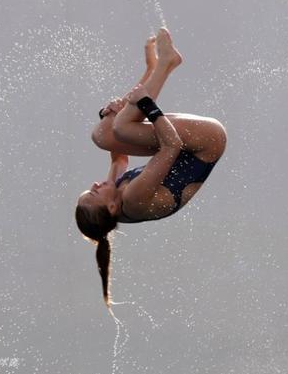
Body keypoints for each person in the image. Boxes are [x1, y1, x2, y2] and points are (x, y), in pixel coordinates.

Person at [75, 28, 227, 307]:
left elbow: (119, 157)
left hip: (183, 145)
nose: (96, 184)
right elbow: (171, 146)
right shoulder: (133, 199)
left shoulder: (117, 196)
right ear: (110, 208)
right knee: (120, 126)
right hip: (206, 142)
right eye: (95, 192)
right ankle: (167, 64)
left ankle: (159, 67)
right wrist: (146, 104)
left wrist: (113, 109)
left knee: (103, 133)